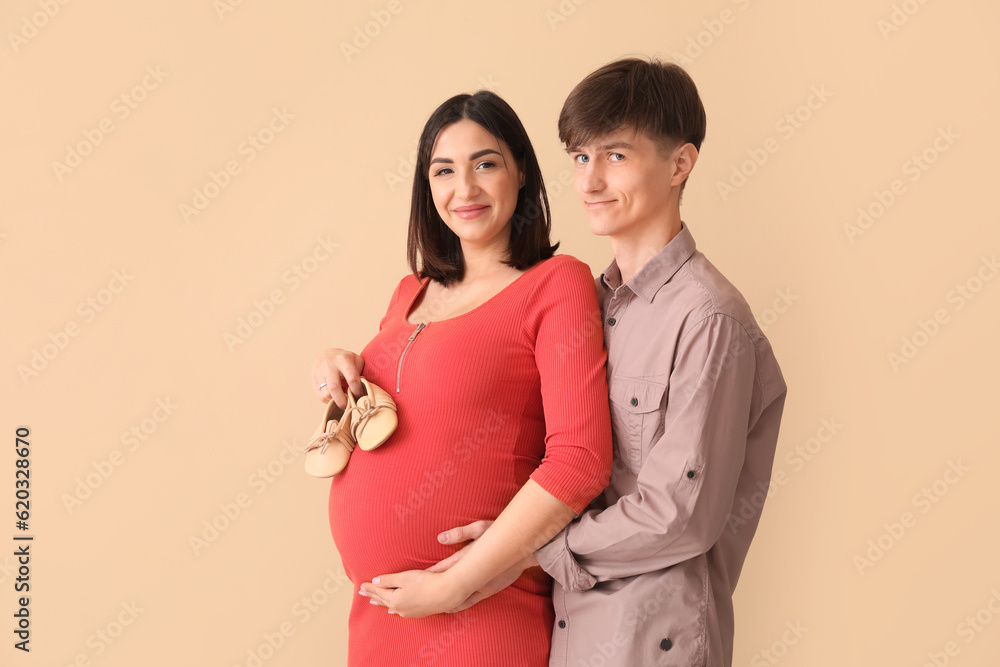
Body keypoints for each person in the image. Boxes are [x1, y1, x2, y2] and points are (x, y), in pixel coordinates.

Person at [367, 58, 788, 667]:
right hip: (570, 633)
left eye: (615, 156)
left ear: (680, 164)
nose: (589, 181)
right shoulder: (590, 302)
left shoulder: (708, 318)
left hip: (651, 643)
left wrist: (530, 551)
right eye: (580, 158)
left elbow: (681, 515)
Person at [312, 90, 612, 666]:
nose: (464, 189)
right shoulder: (409, 293)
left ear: (520, 171)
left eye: (486, 164)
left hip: (481, 614)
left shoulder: (556, 285)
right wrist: (339, 364)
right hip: (381, 617)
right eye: (444, 170)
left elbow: (580, 458)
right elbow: (411, 408)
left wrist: (455, 586)